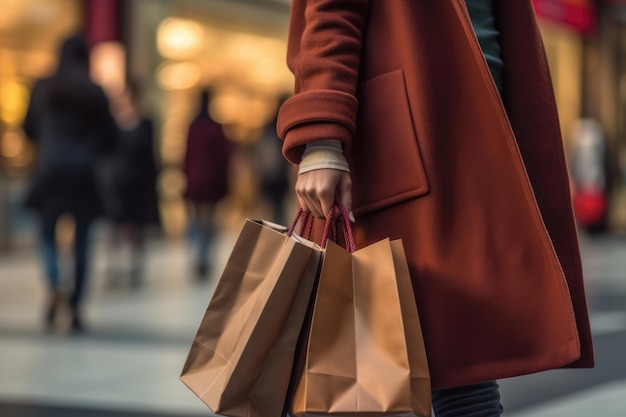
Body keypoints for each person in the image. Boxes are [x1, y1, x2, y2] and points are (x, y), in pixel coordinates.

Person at [276, 1, 594, 416]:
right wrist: (321, 136)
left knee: (463, 360)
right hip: (413, 138)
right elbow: (331, 12)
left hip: (483, 142)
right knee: (421, 365)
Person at [22, 34, 117, 332]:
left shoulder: (42, 87)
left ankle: (54, 280)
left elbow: (28, 128)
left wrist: (48, 142)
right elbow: (111, 136)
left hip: (49, 168)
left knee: (47, 234)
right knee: (82, 243)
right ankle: (75, 307)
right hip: (83, 172)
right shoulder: (94, 90)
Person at [106, 78, 161, 288]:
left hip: (140, 183)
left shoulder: (146, 122)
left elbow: (150, 154)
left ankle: (134, 268)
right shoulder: (114, 123)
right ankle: (116, 267)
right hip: (119, 182)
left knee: (138, 230)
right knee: (117, 228)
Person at [182, 89, 234, 280]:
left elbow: (186, 155)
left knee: (196, 220)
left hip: (195, 180)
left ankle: (198, 256)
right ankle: (204, 257)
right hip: (212, 181)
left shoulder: (193, 126)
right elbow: (224, 157)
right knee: (209, 221)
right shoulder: (216, 128)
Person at [254, 96, 293, 225]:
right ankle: (280, 236)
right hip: (279, 177)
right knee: (279, 209)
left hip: (268, 176)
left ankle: (271, 237)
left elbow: (259, 153)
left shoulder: (268, 127)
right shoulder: (287, 127)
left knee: (269, 210)